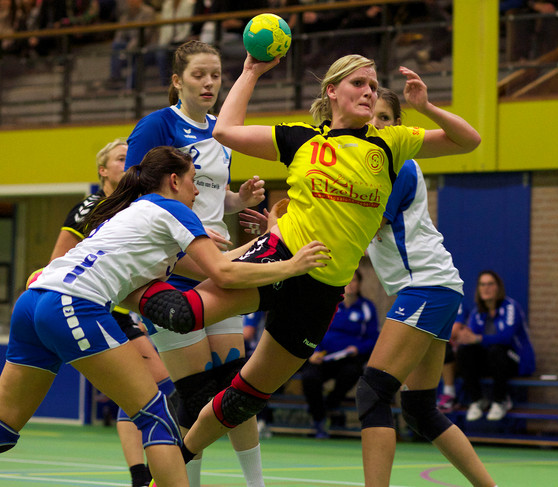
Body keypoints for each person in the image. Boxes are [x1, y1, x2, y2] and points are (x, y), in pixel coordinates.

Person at [146, 50, 483, 484]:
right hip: (279, 255)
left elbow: (469, 141)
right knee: (183, 313)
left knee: (246, 396)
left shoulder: (391, 144)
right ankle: (123, 287)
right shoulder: (303, 140)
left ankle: (179, 458)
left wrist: (426, 108)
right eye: (359, 83)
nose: (368, 91)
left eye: (374, 85)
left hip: (322, 289)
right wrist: (249, 72)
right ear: (332, 91)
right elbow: (226, 130)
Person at [0, 147, 328, 487]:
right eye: (193, 181)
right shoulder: (171, 208)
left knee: (4, 428)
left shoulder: (137, 213)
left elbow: (220, 263)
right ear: (174, 181)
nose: (198, 191)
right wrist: (293, 266)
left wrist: (272, 236)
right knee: (157, 419)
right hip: (73, 305)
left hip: (33, 302)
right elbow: (225, 275)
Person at [123, 39, 268, 487]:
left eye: (215, 75)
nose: (208, 83)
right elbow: (132, 196)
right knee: (195, 392)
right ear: (177, 81)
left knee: (235, 390)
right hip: (174, 271)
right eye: (198, 75)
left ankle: (256, 484)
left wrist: (236, 200)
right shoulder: (156, 126)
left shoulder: (222, 132)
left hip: (217, 265)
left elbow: (203, 196)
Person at [356, 87, 496, 487]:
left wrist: (288, 236)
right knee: (419, 408)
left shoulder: (397, 166)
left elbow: (361, 226)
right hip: (433, 288)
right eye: (370, 117)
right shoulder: (369, 169)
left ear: (398, 127)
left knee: (372, 392)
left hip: (427, 286)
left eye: (384, 118)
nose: (375, 124)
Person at [48, 138, 175, 487]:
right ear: (103, 170)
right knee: (151, 384)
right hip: (83, 304)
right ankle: (141, 474)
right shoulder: (91, 207)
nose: (127, 162)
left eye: (129, 158)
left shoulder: (135, 207)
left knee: (151, 384)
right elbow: (57, 261)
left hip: (118, 309)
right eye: (120, 159)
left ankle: (141, 474)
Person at [301, 269, 379, 439]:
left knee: (351, 373)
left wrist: (358, 348)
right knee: (309, 377)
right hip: (324, 357)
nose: (350, 285)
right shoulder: (331, 303)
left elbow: (373, 338)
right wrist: (314, 352)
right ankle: (320, 421)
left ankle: (328, 407)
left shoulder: (367, 307)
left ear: (359, 285)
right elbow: (315, 330)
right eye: (348, 281)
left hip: (350, 359)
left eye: (354, 281)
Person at [455, 270, 535, 422]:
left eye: (490, 284)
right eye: (482, 284)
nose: (486, 288)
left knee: (497, 350)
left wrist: (477, 338)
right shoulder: (477, 312)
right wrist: (464, 337)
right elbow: (471, 339)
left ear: (498, 287)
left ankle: (500, 400)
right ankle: (477, 400)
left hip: (514, 360)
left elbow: (506, 337)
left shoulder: (510, 307)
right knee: (465, 351)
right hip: (491, 361)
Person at [106, 0, 157, 90]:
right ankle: (115, 78)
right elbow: (120, 34)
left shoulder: (148, 12)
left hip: (147, 46)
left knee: (137, 55)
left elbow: (144, 35)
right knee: (116, 45)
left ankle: (133, 88)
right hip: (129, 45)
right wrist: (123, 47)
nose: (130, 2)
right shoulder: (126, 14)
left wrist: (129, 48)